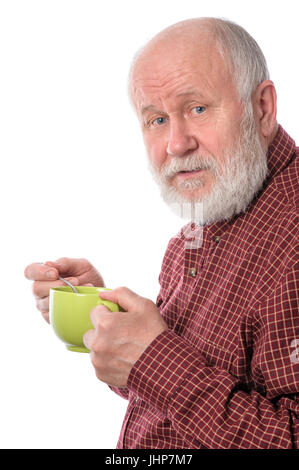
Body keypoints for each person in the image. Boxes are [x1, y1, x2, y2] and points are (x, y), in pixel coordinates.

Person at [24, 17, 298, 449]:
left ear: (262, 108)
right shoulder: (209, 216)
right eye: (156, 120)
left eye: (197, 109)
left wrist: (153, 361)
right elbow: (176, 388)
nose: (176, 143)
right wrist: (107, 323)